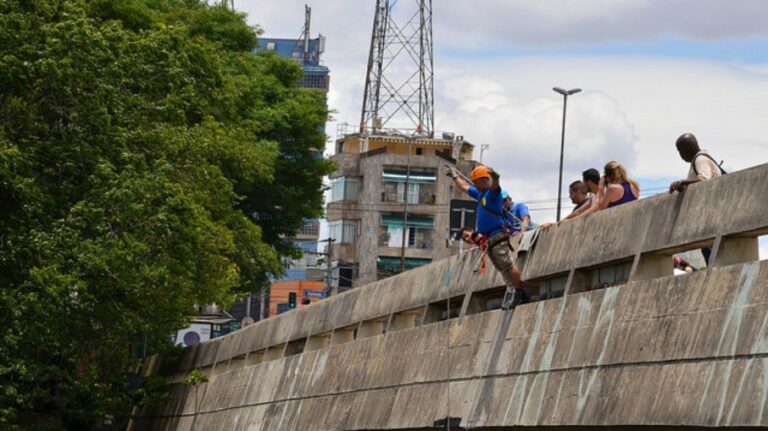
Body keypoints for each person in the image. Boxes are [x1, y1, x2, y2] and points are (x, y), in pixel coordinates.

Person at [446, 164, 528, 309]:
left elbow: (496, 186)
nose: (474, 184)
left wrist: (495, 177)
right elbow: (464, 187)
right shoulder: (479, 194)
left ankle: (520, 291)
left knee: (508, 265)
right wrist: (454, 176)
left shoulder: (492, 193)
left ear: (483, 181)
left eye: (476, 181)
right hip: (488, 239)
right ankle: (513, 291)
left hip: (497, 236)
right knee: (502, 268)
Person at [668, 133, 724, 264]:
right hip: (710, 213)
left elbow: (704, 179)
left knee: (711, 254)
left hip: (710, 215)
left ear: (686, 150)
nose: (681, 155)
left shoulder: (700, 160)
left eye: (681, 151)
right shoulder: (700, 158)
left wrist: (681, 182)